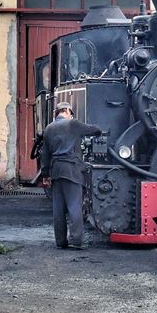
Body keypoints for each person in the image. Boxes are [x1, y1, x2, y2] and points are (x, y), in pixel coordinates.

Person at [39, 102, 102, 250]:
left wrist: (46, 174)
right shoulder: (72, 124)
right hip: (71, 170)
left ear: (56, 113)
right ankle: (75, 240)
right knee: (74, 206)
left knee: (58, 209)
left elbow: (45, 154)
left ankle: (61, 241)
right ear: (67, 111)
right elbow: (95, 130)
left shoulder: (49, 128)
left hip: (56, 171)